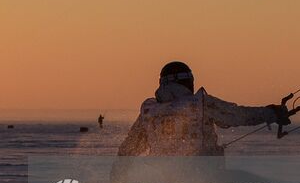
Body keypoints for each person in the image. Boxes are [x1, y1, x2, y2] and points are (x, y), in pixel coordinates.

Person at [117, 62, 287, 157]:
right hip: (207, 181)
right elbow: (237, 116)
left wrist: (118, 180)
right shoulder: (200, 104)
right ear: (188, 82)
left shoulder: (150, 111)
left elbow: (128, 150)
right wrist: (272, 113)